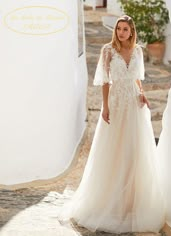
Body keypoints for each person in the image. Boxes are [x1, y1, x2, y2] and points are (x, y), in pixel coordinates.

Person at [58, 15, 165, 234]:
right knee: (115, 151)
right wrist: (105, 106)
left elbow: (137, 78)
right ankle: (110, 202)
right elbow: (106, 81)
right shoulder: (108, 50)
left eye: (125, 29)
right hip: (116, 103)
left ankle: (130, 203)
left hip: (134, 104)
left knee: (135, 152)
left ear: (132, 32)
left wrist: (143, 94)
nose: (121, 33)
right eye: (118, 29)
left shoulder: (137, 51)